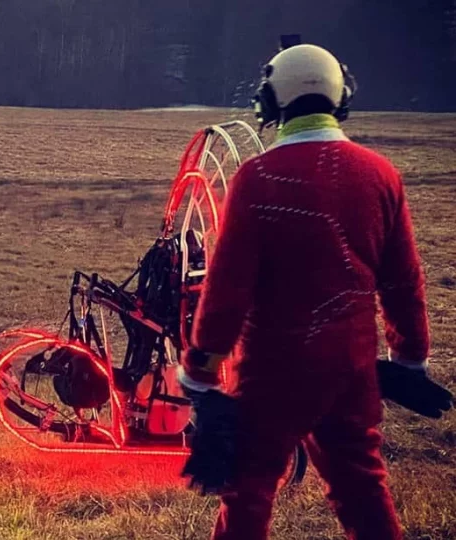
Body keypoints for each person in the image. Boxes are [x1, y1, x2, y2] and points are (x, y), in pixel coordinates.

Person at [176, 39, 452, 540]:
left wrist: (201, 372)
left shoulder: (256, 180)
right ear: (341, 97)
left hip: (270, 372)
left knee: (249, 493)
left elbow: (226, 292)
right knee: (364, 493)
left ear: (270, 101)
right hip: (350, 367)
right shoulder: (381, 175)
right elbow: (404, 281)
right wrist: (410, 360)